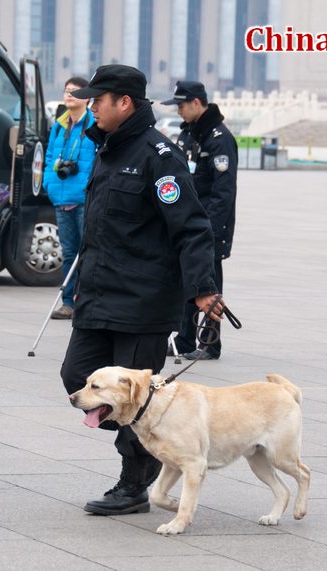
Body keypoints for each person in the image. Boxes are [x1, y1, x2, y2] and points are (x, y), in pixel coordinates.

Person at [61, 64, 224, 515]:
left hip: (143, 302)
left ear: (124, 102)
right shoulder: (107, 149)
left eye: (98, 100)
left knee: (133, 397)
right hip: (97, 296)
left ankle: (133, 484)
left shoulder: (160, 157)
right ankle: (152, 444)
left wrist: (203, 290)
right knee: (76, 377)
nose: (91, 106)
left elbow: (191, 228)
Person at [164, 81, 237, 361]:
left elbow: (224, 191)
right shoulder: (188, 135)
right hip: (187, 224)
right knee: (186, 282)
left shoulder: (218, 138)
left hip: (208, 227)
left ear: (196, 103)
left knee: (208, 285)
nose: (179, 111)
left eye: (181, 106)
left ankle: (210, 343)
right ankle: (182, 340)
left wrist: (210, 229)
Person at [42, 76, 97, 320]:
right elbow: (49, 157)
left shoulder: (94, 124)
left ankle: (85, 301)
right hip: (61, 197)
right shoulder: (59, 126)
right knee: (68, 252)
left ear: (87, 96)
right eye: (67, 90)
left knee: (88, 252)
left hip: (84, 198)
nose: (70, 94)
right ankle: (67, 302)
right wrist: (48, 183)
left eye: (76, 91)